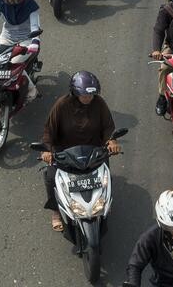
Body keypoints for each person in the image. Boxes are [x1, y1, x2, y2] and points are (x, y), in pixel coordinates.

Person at [41, 72, 121, 232]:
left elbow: (107, 127)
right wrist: (47, 151)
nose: (88, 98)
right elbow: (49, 131)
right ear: (75, 93)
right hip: (64, 154)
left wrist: (111, 141)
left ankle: (103, 202)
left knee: (106, 177)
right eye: (84, 95)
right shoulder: (61, 105)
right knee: (50, 177)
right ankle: (56, 210)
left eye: (91, 94)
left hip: (94, 153)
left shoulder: (99, 104)